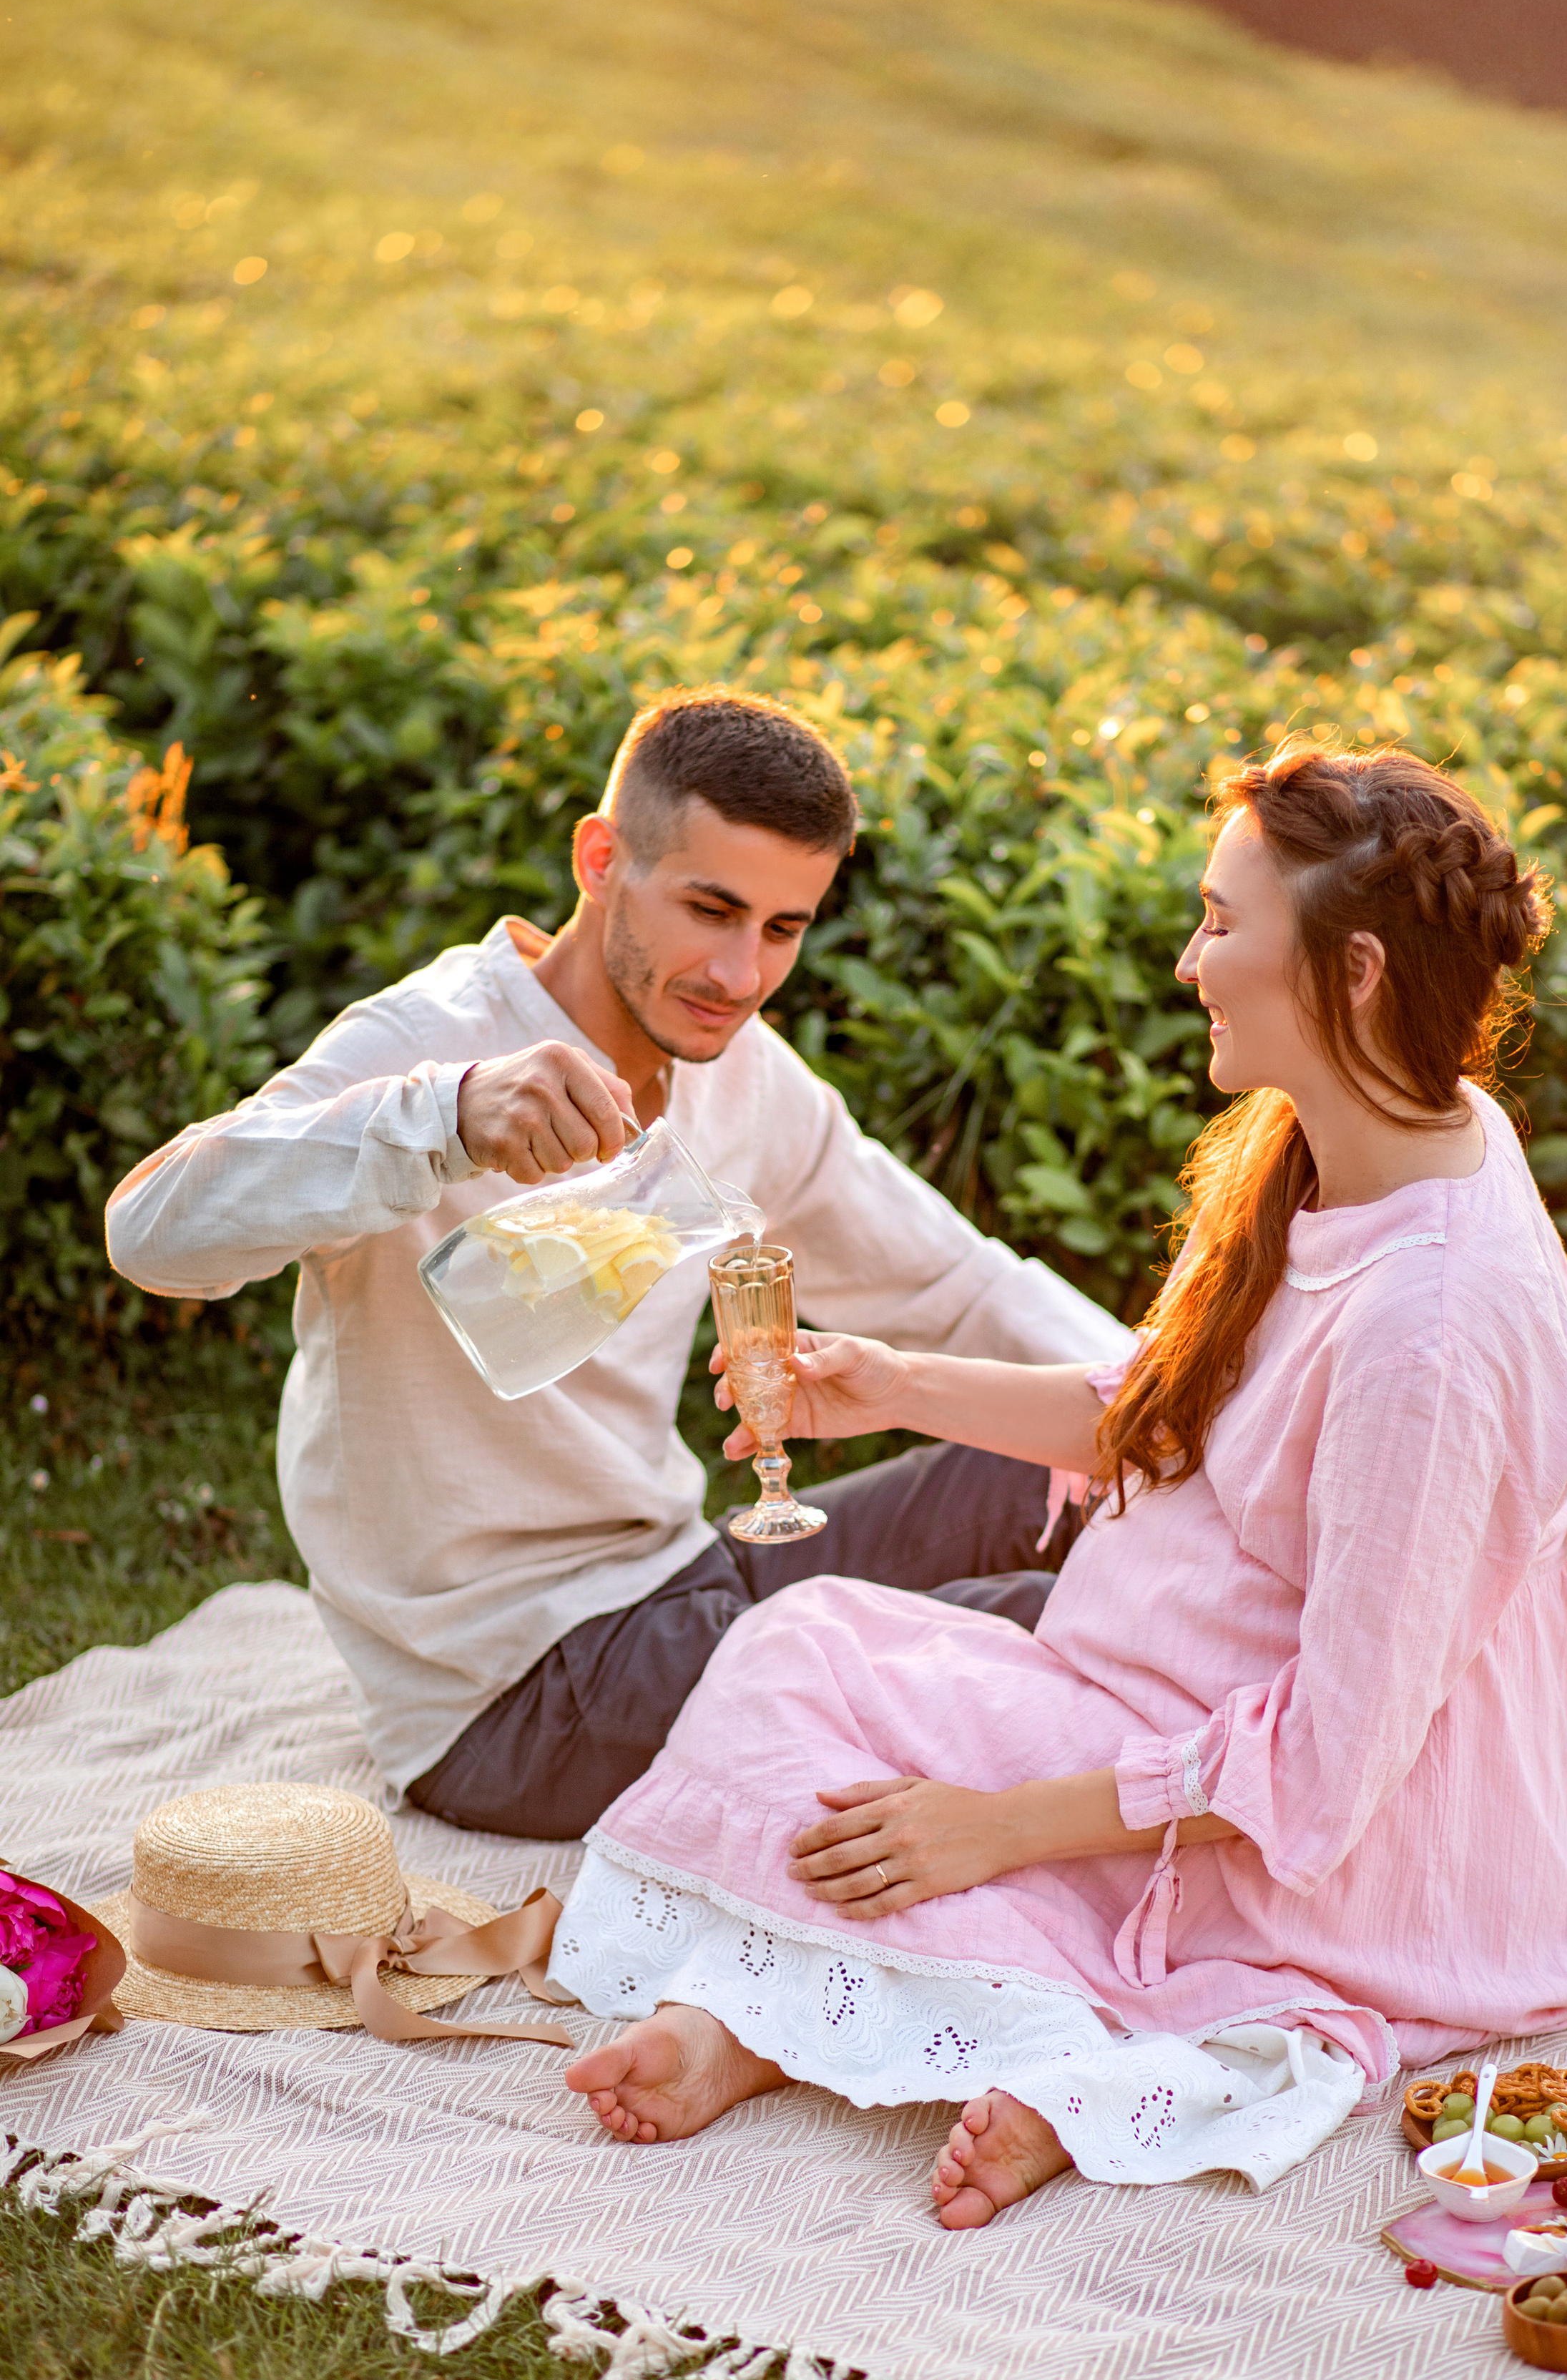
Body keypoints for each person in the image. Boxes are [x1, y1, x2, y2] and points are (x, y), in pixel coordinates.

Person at [551, 740, 1567, 2224]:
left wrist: (997, 1822)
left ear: (1346, 974)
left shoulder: (1432, 1325)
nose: (1184, 959)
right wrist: (887, 1388)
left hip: (1346, 1844)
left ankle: (1003, 2058)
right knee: (800, 1651)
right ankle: (809, 2025)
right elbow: (1171, 1407)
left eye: (1220, 922)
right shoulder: (1355, 1137)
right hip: (1169, 1701)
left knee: (890, 1766)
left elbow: (1330, 1774)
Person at [105, 689, 1124, 1838]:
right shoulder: (430, 1043)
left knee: (1070, 1475)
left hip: (685, 1576)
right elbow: (153, 1234)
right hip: (509, 1699)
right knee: (1036, 1631)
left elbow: (958, 1285)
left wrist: (1196, 1412)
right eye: (712, 908)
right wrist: (442, 1117)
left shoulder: (748, 1077)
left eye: (783, 930)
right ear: (602, 859)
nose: (741, 974)